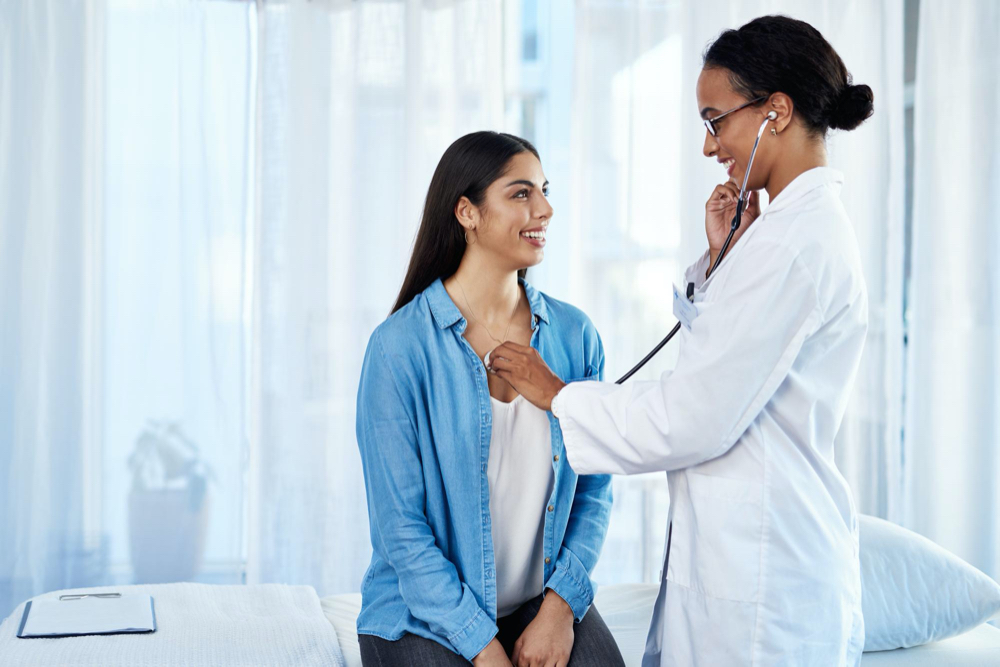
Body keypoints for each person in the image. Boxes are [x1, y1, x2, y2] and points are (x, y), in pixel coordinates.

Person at [489, 16, 875, 666]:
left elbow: (692, 414)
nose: (709, 146)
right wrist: (721, 259)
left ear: (775, 111)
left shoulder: (796, 244)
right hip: (741, 561)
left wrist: (558, 394)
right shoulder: (780, 236)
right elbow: (726, 361)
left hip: (765, 586)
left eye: (715, 119)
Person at [355, 131, 626, 667]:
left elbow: (594, 491)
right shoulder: (398, 349)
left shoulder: (576, 337)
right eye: (521, 193)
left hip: (536, 602)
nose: (545, 209)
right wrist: (483, 648)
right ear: (467, 213)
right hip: (421, 614)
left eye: (544, 191)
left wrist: (557, 610)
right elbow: (402, 532)